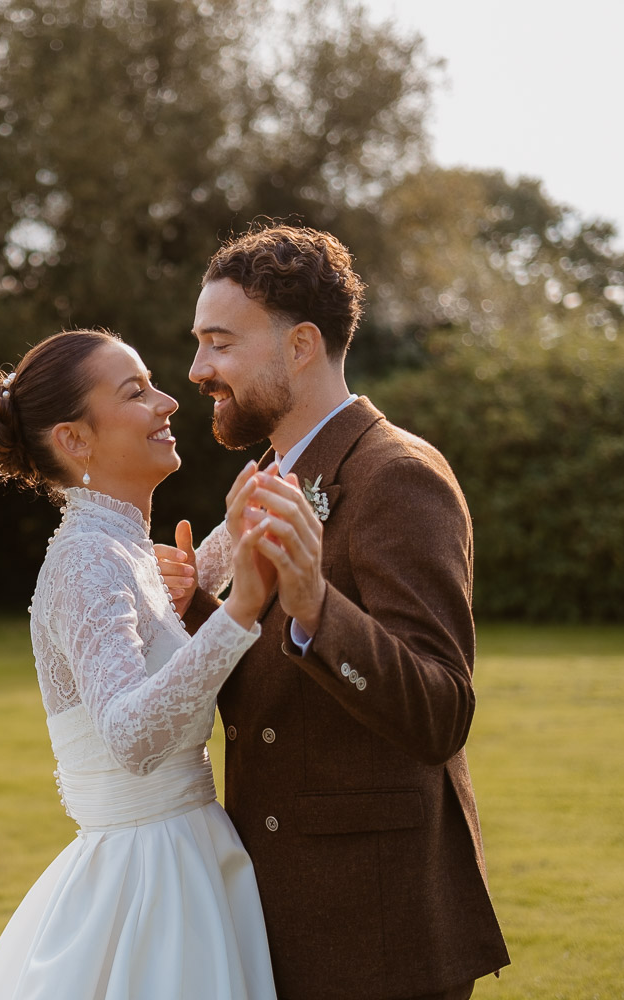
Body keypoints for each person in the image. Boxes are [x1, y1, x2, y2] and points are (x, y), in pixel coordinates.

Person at [159, 224, 511, 1000]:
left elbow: (441, 712)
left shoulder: (398, 478)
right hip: (275, 908)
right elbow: (274, 693)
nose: (197, 370)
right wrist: (199, 610)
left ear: (301, 346)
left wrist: (315, 604)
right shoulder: (269, 477)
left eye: (219, 343)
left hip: (373, 928)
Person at [0, 328, 279, 1000]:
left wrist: (243, 526)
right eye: (136, 392)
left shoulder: (120, 547)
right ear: (76, 440)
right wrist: (240, 609)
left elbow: (159, 622)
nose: (167, 401)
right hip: (150, 884)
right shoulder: (85, 559)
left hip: (185, 856)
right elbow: (131, 736)